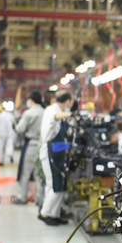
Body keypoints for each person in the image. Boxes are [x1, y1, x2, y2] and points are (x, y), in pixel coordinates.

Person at [38, 91, 74, 226]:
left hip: (57, 151)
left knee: (59, 184)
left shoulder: (59, 111)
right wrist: (72, 114)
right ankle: (45, 213)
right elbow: (55, 117)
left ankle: (54, 214)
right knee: (54, 183)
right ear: (68, 101)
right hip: (50, 152)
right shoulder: (52, 110)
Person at [13, 91, 45, 204]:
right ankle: (39, 198)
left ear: (31, 100)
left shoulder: (29, 113)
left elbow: (20, 129)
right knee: (39, 173)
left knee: (25, 172)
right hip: (42, 145)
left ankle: (22, 196)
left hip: (31, 145)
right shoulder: (44, 112)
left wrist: (16, 124)